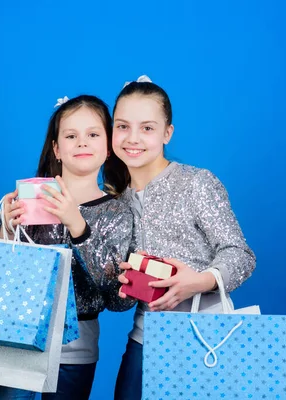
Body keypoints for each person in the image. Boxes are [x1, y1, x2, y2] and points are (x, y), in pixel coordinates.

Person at [111, 76, 256, 400]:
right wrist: (122, 281)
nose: (133, 138)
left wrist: (200, 281)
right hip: (145, 339)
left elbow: (241, 254)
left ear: (167, 133)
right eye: (122, 126)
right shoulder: (117, 201)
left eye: (147, 128)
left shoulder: (196, 183)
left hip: (207, 338)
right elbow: (119, 295)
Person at [0, 95, 135, 400]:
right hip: (17, 333)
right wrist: (5, 227)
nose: (82, 142)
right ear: (57, 148)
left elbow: (114, 295)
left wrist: (78, 226)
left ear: (108, 147)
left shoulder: (117, 211)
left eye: (93, 134)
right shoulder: (30, 198)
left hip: (76, 346)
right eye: (71, 136)